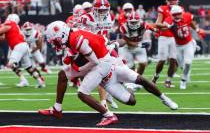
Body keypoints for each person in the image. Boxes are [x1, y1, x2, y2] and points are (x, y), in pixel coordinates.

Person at [39, 21, 178, 126]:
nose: (55, 44)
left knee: (82, 92)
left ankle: (110, 115)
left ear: (62, 34)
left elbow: (93, 61)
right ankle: (57, 109)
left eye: (55, 40)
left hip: (102, 65)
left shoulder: (76, 39)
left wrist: (79, 69)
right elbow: (96, 44)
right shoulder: (72, 34)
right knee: (131, 101)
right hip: (104, 67)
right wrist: (73, 60)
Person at [80, 0, 118, 109]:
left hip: (103, 48)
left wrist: (109, 42)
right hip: (90, 48)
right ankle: (106, 98)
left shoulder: (111, 17)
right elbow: (82, 34)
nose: (102, 12)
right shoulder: (86, 18)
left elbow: (107, 33)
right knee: (88, 76)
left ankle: (105, 100)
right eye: (99, 10)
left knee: (114, 69)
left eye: (104, 10)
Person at [160, 5, 206, 89]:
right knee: (182, 66)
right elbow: (162, 30)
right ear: (171, 15)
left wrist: (197, 30)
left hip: (188, 43)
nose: (177, 16)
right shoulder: (169, 20)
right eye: (175, 14)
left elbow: (191, 22)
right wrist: (168, 26)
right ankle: (186, 74)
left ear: (182, 13)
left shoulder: (187, 16)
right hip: (177, 46)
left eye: (178, 14)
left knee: (188, 63)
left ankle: (183, 80)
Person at [0, 14, 45, 88]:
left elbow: (2, 30)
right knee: (28, 67)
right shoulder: (15, 26)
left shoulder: (10, 23)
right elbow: (3, 38)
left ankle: (24, 80)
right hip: (24, 46)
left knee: (11, 64)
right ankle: (40, 81)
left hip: (18, 46)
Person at [152, 0, 180, 87]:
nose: (172, 1)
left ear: (177, 0)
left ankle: (168, 81)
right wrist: (168, 25)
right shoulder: (163, 9)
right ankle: (155, 77)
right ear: (166, 1)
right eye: (170, 0)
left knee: (173, 60)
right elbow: (158, 24)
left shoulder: (180, 10)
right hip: (163, 36)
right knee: (162, 60)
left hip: (174, 38)